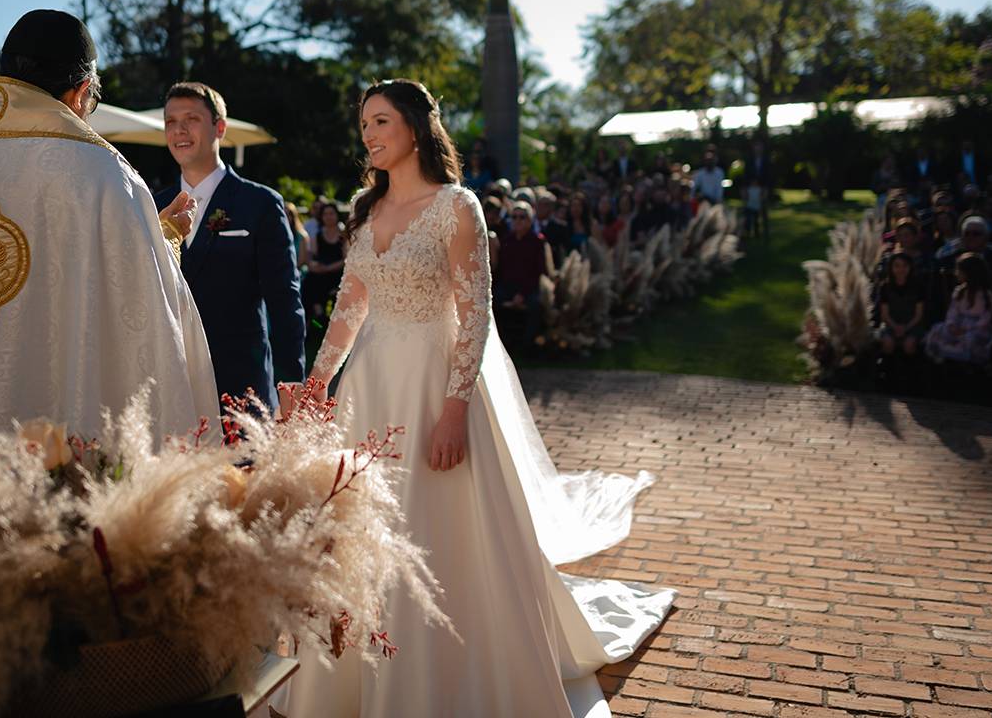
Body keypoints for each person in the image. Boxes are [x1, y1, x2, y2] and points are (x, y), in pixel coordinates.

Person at [281, 79, 673, 718]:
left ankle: (442, 671)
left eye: (381, 122)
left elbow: (477, 312)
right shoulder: (362, 206)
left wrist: (456, 408)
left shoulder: (456, 206)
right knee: (362, 528)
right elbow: (350, 309)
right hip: (370, 386)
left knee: (439, 529)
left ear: (414, 128)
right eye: (364, 125)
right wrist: (319, 383)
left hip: (433, 385)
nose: (369, 135)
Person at [0, 9, 216, 501]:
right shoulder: (98, 170)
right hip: (46, 455)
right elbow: (138, 313)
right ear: (79, 93)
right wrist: (166, 238)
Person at [155, 81, 304, 414]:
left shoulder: (261, 203)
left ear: (220, 127)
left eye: (192, 118)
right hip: (170, 384)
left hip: (241, 383)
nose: (179, 129)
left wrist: (291, 381)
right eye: (170, 121)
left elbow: (284, 298)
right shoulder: (151, 206)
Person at [926, 252, 992, 366]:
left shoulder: (986, 294)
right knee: (936, 329)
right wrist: (951, 325)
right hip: (958, 326)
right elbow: (952, 312)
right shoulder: (959, 291)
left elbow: (986, 317)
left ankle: (968, 363)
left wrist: (967, 328)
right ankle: (942, 357)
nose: (956, 273)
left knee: (970, 339)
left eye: (959, 270)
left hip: (975, 328)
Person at [301, 202, 346, 327]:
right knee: (310, 279)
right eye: (325, 214)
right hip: (320, 272)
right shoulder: (317, 237)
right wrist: (313, 265)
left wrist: (327, 268)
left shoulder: (345, 236)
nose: (329, 217)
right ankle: (313, 317)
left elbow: (345, 260)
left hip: (337, 272)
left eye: (331, 213)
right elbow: (312, 257)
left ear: (337, 215)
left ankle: (319, 311)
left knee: (318, 282)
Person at [877, 250, 926, 360]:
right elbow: (885, 314)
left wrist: (906, 328)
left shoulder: (918, 286)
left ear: (910, 267)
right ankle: (889, 371)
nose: (901, 269)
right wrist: (896, 328)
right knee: (888, 343)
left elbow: (919, 314)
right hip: (892, 323)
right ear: (891, 267)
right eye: (897, 266)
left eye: (905, 266)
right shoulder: (885, 287)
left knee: (909, 345)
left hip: (912, 323)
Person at [743, 138, 772, 237]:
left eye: (760, 147)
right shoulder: (749, 159)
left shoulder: (766, 159)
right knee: (748, 209)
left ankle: (766, 229)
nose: (758, 149)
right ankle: (745, 230)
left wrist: (765, 187)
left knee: (763, 209)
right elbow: (746, 174)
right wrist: (745, 187)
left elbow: (768, 174)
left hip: (762, 187)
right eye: (756, 147)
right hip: (751, 187)